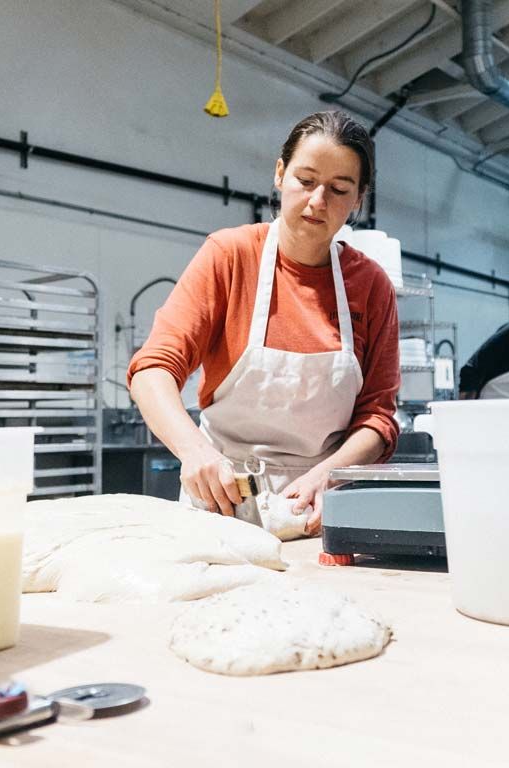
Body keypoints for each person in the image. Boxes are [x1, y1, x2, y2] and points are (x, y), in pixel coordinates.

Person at [129, 111, 400, 535]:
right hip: (222, 503)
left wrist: (329, 475)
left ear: (359, 200)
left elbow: (379, 418)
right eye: (306, 181)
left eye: (339, 189)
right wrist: (195, 453)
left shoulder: (370, 285)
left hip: (319, 511)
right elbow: (153, 370)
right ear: (280, 174)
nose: (317, 201)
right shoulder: (230, 256)